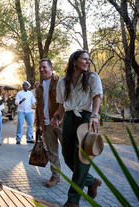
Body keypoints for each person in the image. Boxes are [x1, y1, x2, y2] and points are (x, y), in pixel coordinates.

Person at [52, 50, 103, 207]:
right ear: (74, 61)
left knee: (81, 160)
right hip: (68, 118)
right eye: (84, 59)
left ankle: (73, 200)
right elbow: (61, 105)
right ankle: (91, 181)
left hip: (86, 118)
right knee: (68, 157)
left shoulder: (92, 77)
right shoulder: (62, 82)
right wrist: (56, 117)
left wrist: (94, 115)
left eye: (89, 59)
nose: (88, 62)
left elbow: (97, 97)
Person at [35, 58, 62, 187]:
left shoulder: (60, 82)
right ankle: (55, 177)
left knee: (70, 151)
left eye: (44, 67)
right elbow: (38, 107)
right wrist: (38, 125)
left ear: (51, 68)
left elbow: (64, 103)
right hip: (46, 125)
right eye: (40, 68)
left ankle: (82, 178)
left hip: (60, 123)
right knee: (52, 153)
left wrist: (57, 117)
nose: (41, 70)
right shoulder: (39, 87)